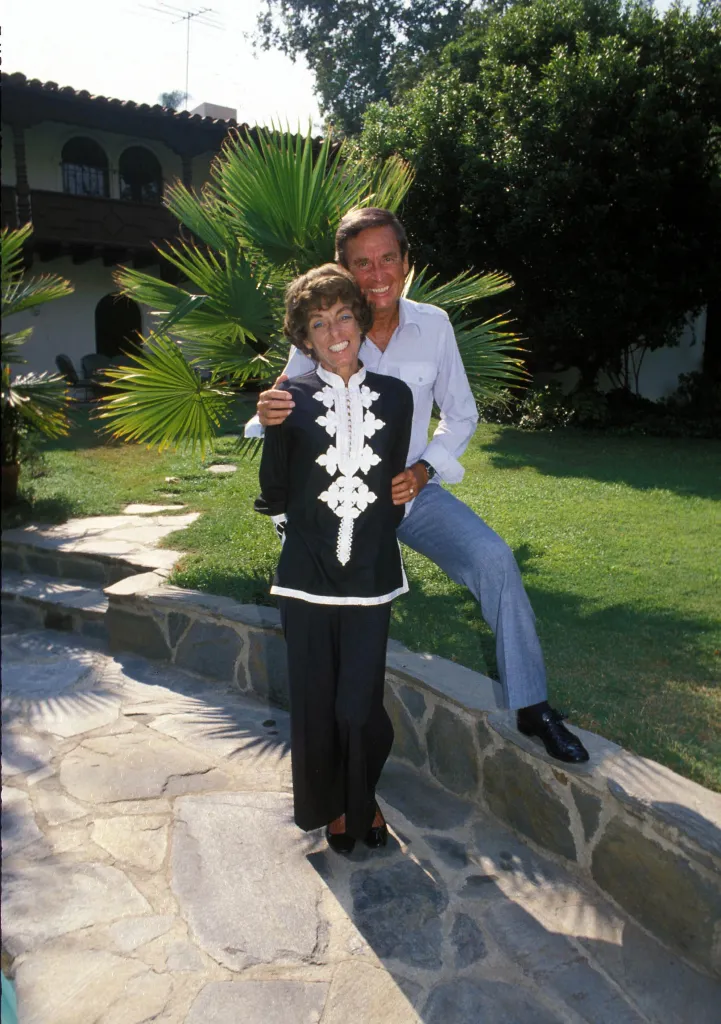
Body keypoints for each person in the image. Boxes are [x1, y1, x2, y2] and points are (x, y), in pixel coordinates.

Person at [248, 208, 590, 764]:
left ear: (406, 262)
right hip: (338, 505)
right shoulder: (329, 324)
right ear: (344, 269)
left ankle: (533, 706)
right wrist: (264, 412)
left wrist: (425, 469)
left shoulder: (434, 326)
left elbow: (462, 414)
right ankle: (343, 759)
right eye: (362, 263)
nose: (377, 274)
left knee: (495, 560)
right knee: (334, 632)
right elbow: (283, 404)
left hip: (411, 492)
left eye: (388, 259)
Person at [255, 263, 414, 853]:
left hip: (372, 575)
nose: (335, 332)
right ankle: (344, 808)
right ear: (304, 338)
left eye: (344, 316)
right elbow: (273, 491)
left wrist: (387, 521)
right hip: (306, 577)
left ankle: (361, 793)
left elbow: (392, 484)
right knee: (317, 700)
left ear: (361, 321)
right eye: (318, 324)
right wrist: (270, 426)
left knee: (359, 704)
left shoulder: (396, 397)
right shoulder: (286, 400)